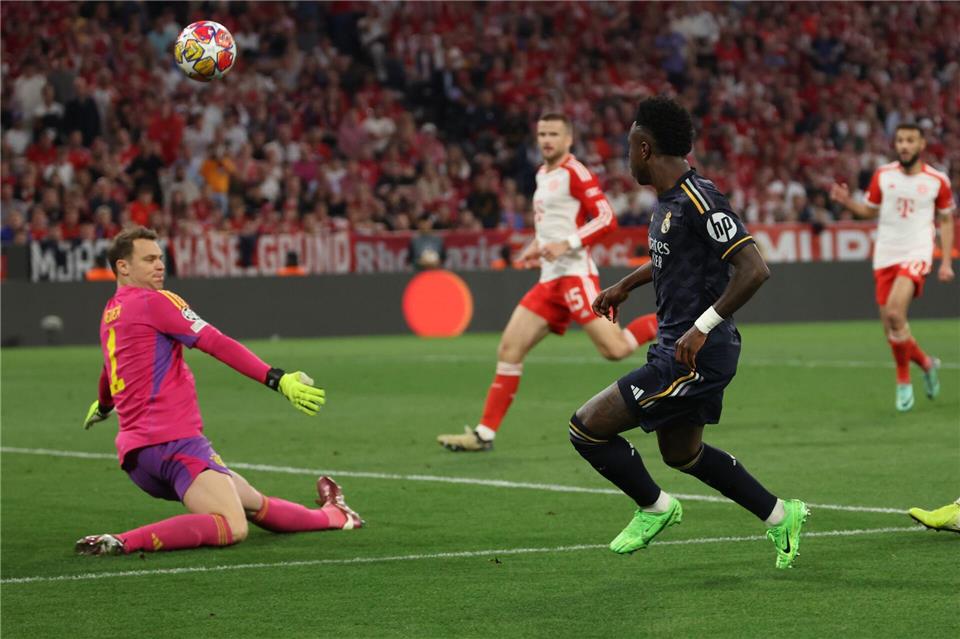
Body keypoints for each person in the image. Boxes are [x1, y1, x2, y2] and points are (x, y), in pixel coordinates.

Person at [572, 96, 808, 569]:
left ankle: (655, 507)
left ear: (644, 148)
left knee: (587, 428)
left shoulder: (701, 198)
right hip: (681, 347)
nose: (626, 154)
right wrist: (625, 284)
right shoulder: (668, 202)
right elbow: (671, 258)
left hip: (695, 354)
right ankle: (782, 515)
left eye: (629, 145)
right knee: (682, 454)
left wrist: (702, 327)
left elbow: (754, 268)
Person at [76, 227, 361, 556]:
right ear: (123, 267)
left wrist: (104, 404)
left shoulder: (111, 311)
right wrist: (276, 379)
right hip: (175, 445)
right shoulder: (156, 302)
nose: (160, 266)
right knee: (232, 525)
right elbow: (215, 342)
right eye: (150, 259)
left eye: (161, 258)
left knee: (251, 500)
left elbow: (110, 368)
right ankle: (123, 541)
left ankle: (335, 514)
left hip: (139, 457)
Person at [437, 113, 657, 452]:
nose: (546, 140)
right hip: (549, 279)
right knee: (510, 348)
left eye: (553, 133)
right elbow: (551, 226)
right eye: (541, 133)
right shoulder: (543, 174)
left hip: (574, 276)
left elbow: (606, 218)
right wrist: (536, 247)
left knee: (616, 349)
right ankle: (484, 434)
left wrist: (565, 244)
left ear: (568, 139)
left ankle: (670, 322)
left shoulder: (575, 171)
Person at [829, 124, 955, 411]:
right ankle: (926, 363)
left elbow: (946, 220)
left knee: (897, 313)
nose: (904, 145)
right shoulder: (884, 176)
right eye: (900, 140)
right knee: (892, 330)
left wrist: (945, 261)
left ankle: (903, 381)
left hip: (917, 250)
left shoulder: (937, 180)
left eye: (910, 140)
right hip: (886, 253)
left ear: (921, 144)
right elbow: (869, 211)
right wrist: (847, 201)